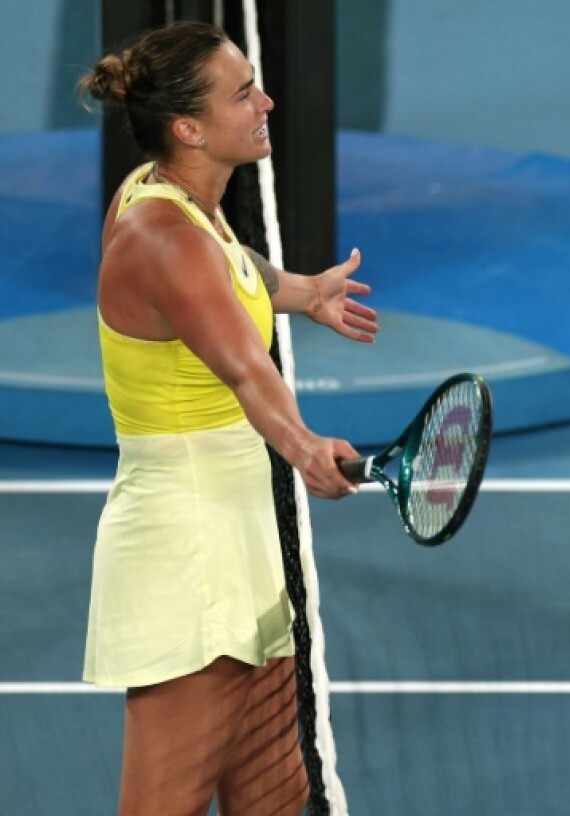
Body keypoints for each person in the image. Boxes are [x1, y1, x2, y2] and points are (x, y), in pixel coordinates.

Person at [78, 21, 377, 815]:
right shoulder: (160, 237)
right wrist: (306, 445)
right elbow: (247, 368)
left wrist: (304, 292)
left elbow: (234, 271)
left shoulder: (174, 199)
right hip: (190, 552)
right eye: (244, 93)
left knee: (276, 795)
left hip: (237, 535)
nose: (267, 102)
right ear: (190, 127)